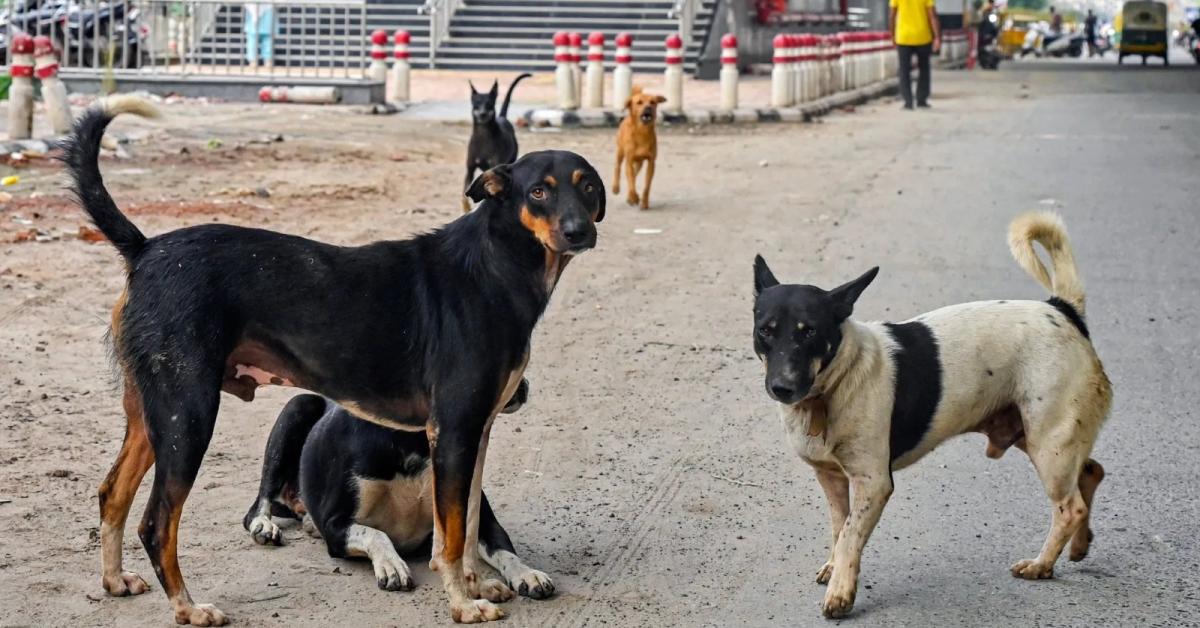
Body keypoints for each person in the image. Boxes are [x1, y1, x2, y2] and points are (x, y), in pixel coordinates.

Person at [890, 0, 941, 110]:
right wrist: (937, 37)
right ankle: (921, 100)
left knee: (904, 70)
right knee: (924, 68)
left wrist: (892, 35)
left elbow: (892, 15)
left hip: (903, 36)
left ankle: (908, 101)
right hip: (922, 36)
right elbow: (932, 15)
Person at [243, 2, 274, 68]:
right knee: (252, 41)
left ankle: (267, 60)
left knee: (267, 40)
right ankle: (253, 60)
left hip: (268, 16)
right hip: (253, 19)